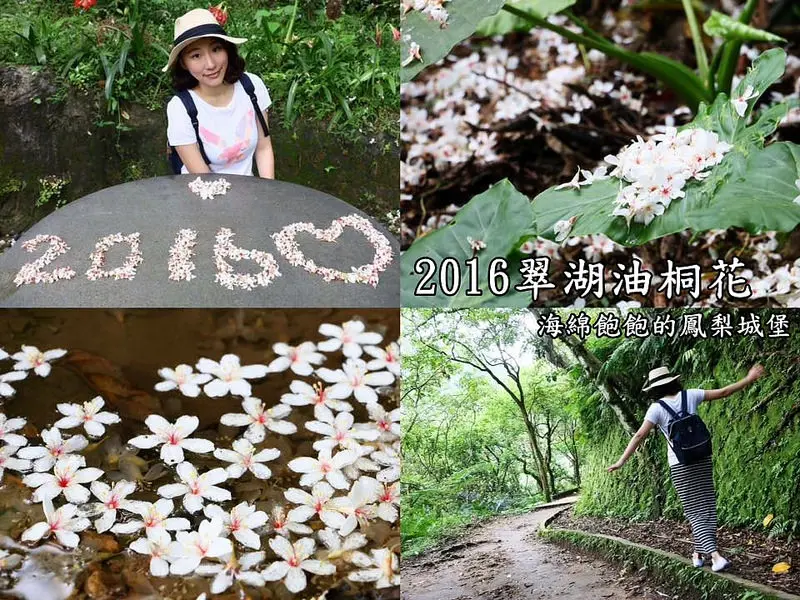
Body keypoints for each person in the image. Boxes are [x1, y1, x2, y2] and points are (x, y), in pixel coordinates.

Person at [607, 364, 765, 572]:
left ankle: (716, 557)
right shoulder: (690, 395)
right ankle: (698, 554)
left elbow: (639, 436)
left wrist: (621, 461)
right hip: (702, 456)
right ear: (673, 381)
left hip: (680, 464)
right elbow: (724, 392)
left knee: (694, 511)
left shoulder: (656, 409)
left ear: (654, 389)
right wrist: (749, 378)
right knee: (706, 507)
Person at [163, 8, 275, 178]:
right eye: (196, 56)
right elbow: (204, 179)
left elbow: (264, 148)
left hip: (250, 190)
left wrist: (267, 191)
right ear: (184, 63)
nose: (210, 64)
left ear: (227, 50)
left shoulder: (251, 86)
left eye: (216, 49)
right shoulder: (180, 108)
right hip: (204, 191)